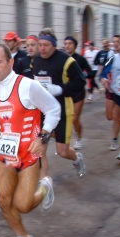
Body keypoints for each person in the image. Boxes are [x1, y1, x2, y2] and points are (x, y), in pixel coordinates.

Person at [0, 44, 61, 237]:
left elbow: (53, 110)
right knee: (3, 200)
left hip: (29, 153)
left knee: (23, 204)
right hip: (6, 153)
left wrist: (44, 137)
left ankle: (45, 187)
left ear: (10, 62)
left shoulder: (28, 86)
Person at [32, 28, 86, 179]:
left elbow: (80, 82)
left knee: (63, 151)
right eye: (40, 44)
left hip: (62, 111)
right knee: (39, 150)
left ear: (54, 45)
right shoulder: (35, 60)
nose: (42, 48)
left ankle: (77, 158)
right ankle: (44, 186)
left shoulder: (67, 60)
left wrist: (60, 89)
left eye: (46, 45)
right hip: (42, 112)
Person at [64, 36, 94, 150]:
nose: (67, 46)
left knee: (75, 118)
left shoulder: (80, 59)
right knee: (65, 118)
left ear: (75, 46)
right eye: (66, 43)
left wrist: (85, 75)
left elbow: (91, 71)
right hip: (66, 92)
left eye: (70, 43)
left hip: (78, 92)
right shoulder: (62, 58)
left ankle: (80, 139)